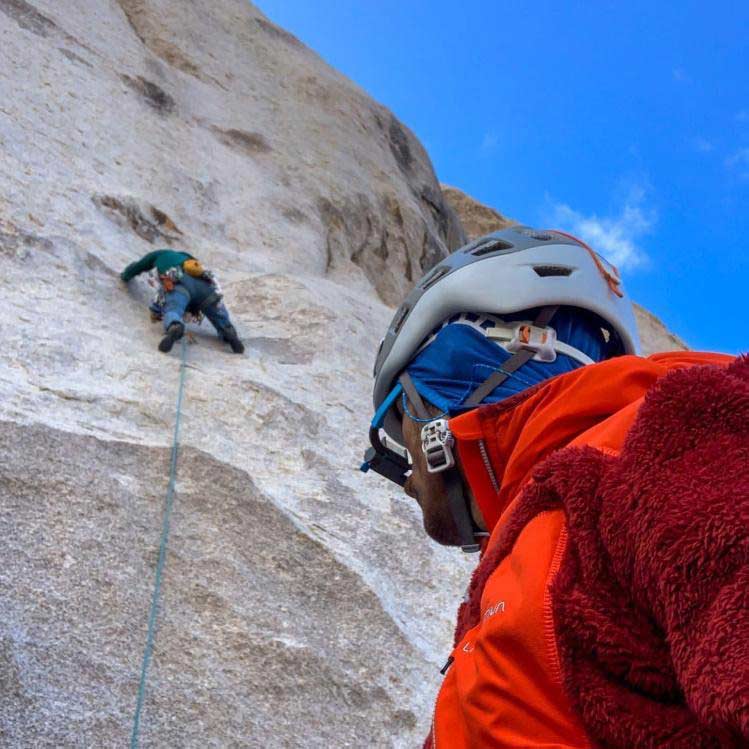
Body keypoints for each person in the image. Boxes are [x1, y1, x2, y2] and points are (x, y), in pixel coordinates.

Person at [361, 226, 748, 748]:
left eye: (398, 433)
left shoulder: (678, 443)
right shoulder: (528, 551)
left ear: (441, 393)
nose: (408, 481)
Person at [120, 248, 244, 354]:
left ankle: (175, 326)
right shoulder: (187, 258)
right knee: (216, 310)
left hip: (179, 283)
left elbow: (138, 266)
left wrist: (125, 275)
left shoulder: (158, 255)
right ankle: (228, 331)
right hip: (204, 286)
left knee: (174, 307)